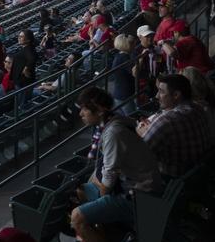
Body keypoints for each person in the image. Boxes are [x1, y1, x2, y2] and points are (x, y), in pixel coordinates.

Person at [69, 87, 161, 241]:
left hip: (138, 196)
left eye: (85, 109)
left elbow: (107, 184)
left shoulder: (113, 133)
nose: (81, 114)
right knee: (82, 190)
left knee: (77, 217)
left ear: (99, 111)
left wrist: (101, 200)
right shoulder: (116, 121)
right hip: (137, 187)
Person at [137, 74, 211, 179]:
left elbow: (140, 156)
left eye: (161, 91)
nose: (157, 96)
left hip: (171, 178)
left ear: (176, 95)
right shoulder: (199, 108)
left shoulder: (166, 121)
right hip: (198, 175)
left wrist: (141, 132)